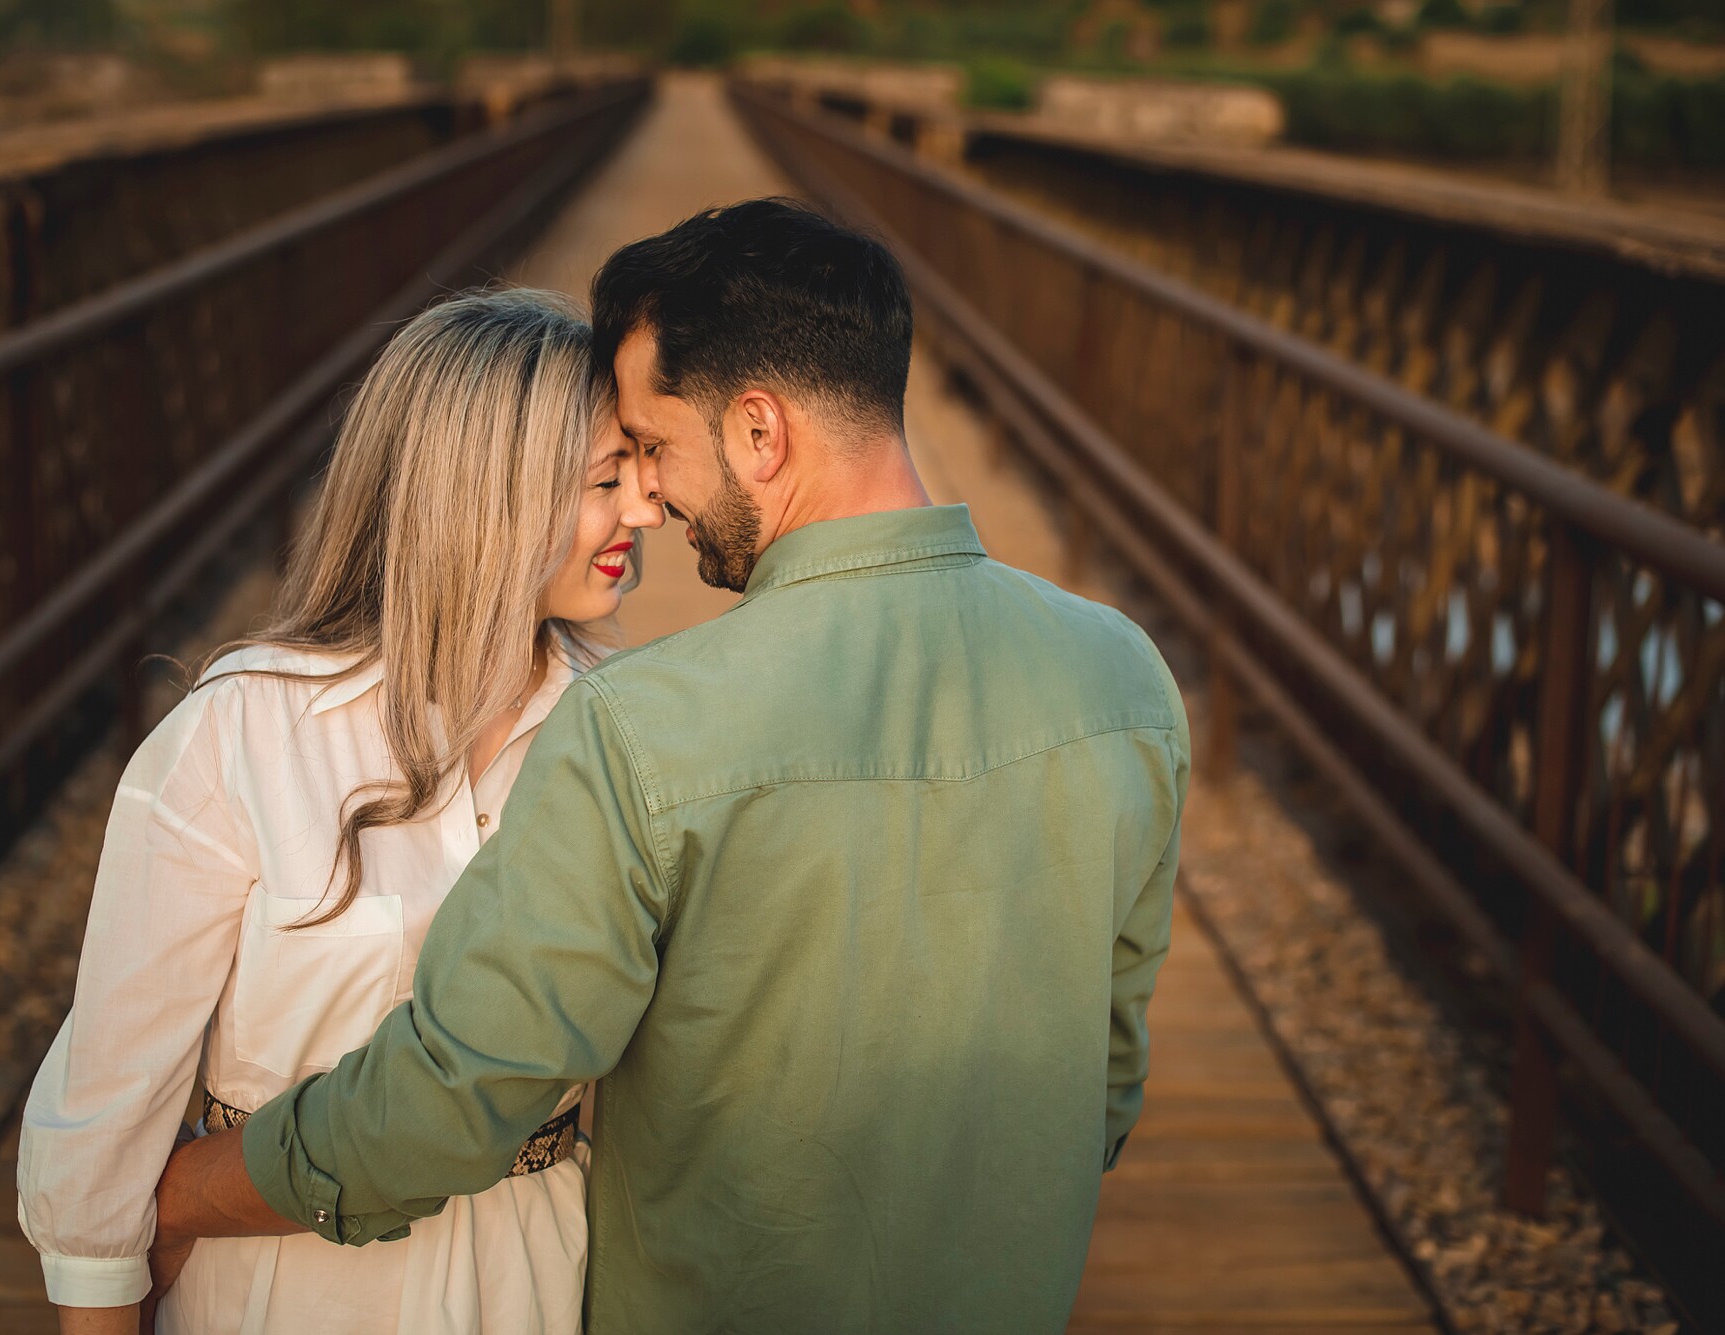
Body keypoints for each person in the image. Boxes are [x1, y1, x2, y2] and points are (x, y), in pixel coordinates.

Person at [148, 198, 1190, 1333]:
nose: (652, 497)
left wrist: (184, 1191)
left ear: (758, 431)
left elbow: (455, 1097)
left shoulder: (641, 727)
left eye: (653, 444)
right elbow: (1102, 1085)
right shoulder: (1126, 682)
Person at [15, 288, 663, 1335]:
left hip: (529, 1284)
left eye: (641, 472)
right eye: (605, 480)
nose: (644, 510)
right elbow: (105, 1119)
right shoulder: (240, 736)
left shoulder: (626, 737)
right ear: (487, 490)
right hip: (276, 1290)